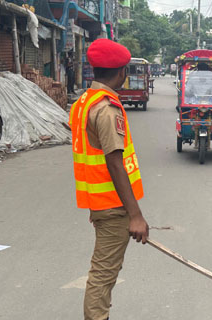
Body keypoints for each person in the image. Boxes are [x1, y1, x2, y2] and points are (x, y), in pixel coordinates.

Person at [69, 38, 149, 320]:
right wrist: (135, 215)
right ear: (120, 73)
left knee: (103, 273)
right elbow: (114, 162)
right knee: (103, 276)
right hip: (114, 207)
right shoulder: (106, 108)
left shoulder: (83, 103)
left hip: (101, 203)